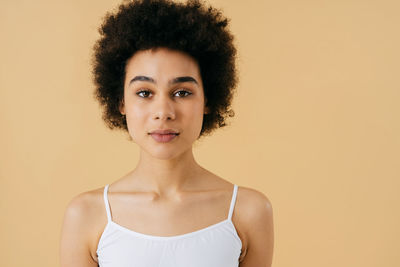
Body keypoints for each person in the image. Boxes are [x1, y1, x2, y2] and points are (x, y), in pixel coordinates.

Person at [60, 0, 274, 266]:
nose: (163, 112)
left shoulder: (249, 211)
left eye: (182, 92)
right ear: (121, 102)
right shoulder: (86, 215)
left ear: (207, 100)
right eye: (144, 93)